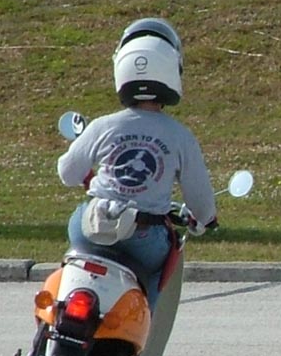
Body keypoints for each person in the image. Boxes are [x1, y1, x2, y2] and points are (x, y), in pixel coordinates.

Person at [57, 18, 216, 311]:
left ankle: (57, 311)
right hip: (144, 236)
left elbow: (68, 173)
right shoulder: (180, 136)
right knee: (156, 271)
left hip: (91, 225)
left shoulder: (103, 125)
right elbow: (200, 200)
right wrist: (206, 219)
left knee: (74, 258)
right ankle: (143, 327)